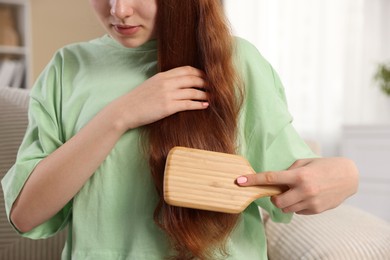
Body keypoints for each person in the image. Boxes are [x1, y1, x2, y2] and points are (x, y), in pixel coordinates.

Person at [1, 0, 359, 259]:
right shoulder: (67, 68)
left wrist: (347, 175)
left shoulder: (238, 62)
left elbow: (292, 183)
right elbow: (25, 213)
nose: (119, 9)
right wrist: (121, 115)